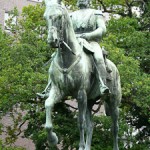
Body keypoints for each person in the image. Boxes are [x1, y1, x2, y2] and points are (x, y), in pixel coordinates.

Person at [37, 0, 110, 98]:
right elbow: (65, 29)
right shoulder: (71, 15)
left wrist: (88, 35)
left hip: (91, 42)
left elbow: (102, 29)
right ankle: (49, 87)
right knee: (55, 57)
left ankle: (102, 84)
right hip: (74, 42)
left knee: (99, 57)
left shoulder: (96, 13)